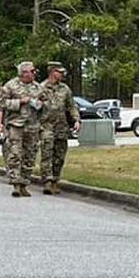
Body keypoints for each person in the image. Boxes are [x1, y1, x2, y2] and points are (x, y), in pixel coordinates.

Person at [0, 61, 44, 197]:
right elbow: (1, 104)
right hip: (16, 125)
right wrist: (19, 102)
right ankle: (16, 183)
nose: (34, 73)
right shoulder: (10, 86)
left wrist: (41, 104)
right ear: (24, 73)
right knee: (15, 154)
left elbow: (45, 102)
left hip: (32, 126)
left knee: (30, 155)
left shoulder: (38, 87)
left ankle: (24, 183)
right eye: (32, 71)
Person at [39, 62, 80, 194]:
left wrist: (76, 120)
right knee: (47, 154)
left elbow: (71, 106)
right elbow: (34, 108)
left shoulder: (65, 89)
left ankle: (55, 180)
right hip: (46, 126)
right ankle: (47, 182)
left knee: (59, 155)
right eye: (60, 72)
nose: (62, 74)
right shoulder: (41, 88)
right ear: (52, 72)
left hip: (61, 126)